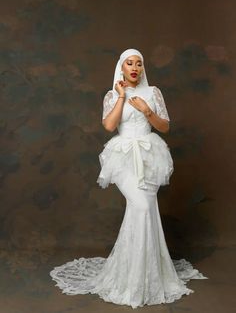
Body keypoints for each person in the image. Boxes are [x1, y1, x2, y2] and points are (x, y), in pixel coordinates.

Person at [49, 48, 208, 309]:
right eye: (129, 63)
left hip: (149, 155)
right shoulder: (112, 95)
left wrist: (147, 111)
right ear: (121, 68)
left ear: (142, 68)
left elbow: (165, 126)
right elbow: (110, 127)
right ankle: (131, 277)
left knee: (146, 209)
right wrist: (122, 97)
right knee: (142, 207)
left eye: (139, 64)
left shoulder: (153, 92)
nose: (134, 67)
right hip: (123, 157)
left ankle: (145, 275)